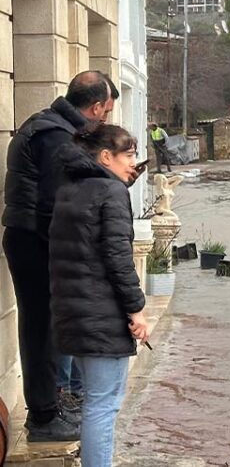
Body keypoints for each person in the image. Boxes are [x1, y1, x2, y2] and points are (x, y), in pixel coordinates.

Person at [1, 71, 118, 442]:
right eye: (106, 112)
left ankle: (51, 401)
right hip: (35, 241)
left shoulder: (51, 127)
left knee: (49, 327)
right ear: (96, 106)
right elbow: (56, 203)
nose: (106, 120)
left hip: (35, 238)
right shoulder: (54, 135)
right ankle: (43, 416)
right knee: (40, 329)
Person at [50, 125, 148, 467]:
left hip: (73, 310)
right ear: (106, 156)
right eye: (130, 155)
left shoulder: (69, 187)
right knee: (103, 404)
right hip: (101, 314)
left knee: (94, 401)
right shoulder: (110, 191)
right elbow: (118, 258)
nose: (133, 164)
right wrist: (136, 309)